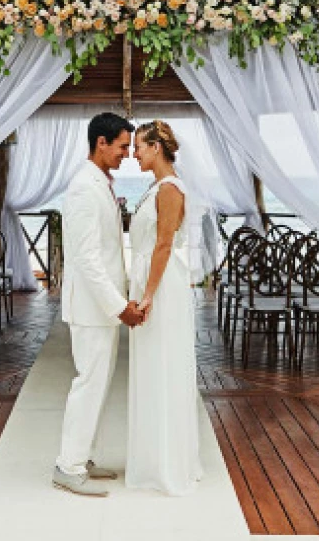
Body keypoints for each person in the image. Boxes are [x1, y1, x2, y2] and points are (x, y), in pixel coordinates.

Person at [52, 112, 146, 497]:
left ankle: (81, 456)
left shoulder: (101, 183)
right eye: (124, 145)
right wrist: (118, 305)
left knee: (97, 385)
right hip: (91, 308)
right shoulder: (83, 188)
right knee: (88, 384)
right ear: (101, 143)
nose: (128, 153)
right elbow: (86, 258)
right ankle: (67, 466)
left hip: (101, 307)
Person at [125, 120, 203, 495]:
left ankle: (170, 464)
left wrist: (150, 293)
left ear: (156, 147)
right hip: (151, 280)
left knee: (164, 365)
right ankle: (155, 457)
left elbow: (164, 245)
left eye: (138, 146)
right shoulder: (156, 187)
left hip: (163, 287)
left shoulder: (170, 189)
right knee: (152, 367)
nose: (133, 153)